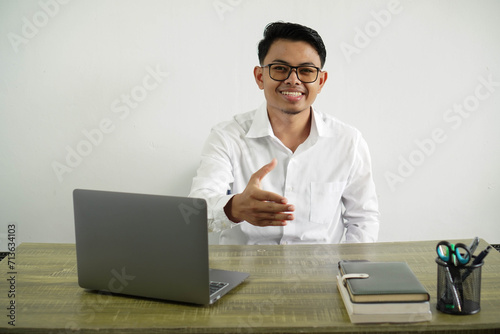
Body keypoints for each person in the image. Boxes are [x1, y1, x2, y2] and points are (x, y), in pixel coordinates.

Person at [189, 21, 379, 245]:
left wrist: (349, 275)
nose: (293, 79)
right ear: (260, 77)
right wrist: (234, 208)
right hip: (245, 274)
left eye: (306, 71)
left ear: (321, 81)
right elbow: (195, 210)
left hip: (323, 274)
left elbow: (363, 219)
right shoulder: (227, 137)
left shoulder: (348, 141)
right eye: (280, 68)